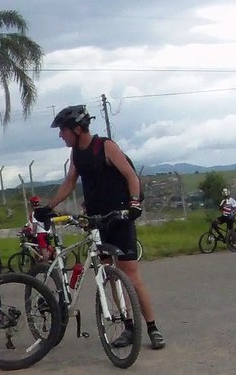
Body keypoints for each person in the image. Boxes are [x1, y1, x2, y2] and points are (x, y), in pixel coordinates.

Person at [43, 104, 165, 350]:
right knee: (109, 276)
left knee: (131, 274)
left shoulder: (105, 146)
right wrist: (49, 206)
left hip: (119, 217)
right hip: (97, 221)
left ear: (77, 129)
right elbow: (69, 183)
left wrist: (133, 204)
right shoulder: (77, 153)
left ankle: (152, 327)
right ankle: (128, 326)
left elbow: (130, 175)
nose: (60, 136)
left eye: (63, 131)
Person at [27, 195, 55, 261]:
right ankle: (42, 262)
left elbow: (35, 224)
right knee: (46, 247)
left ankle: (44, 265)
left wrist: (34, 235)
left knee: (43, 250)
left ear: (31, 204)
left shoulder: (35, 212)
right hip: (47, 232)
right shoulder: (43, 211)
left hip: (40, 234)